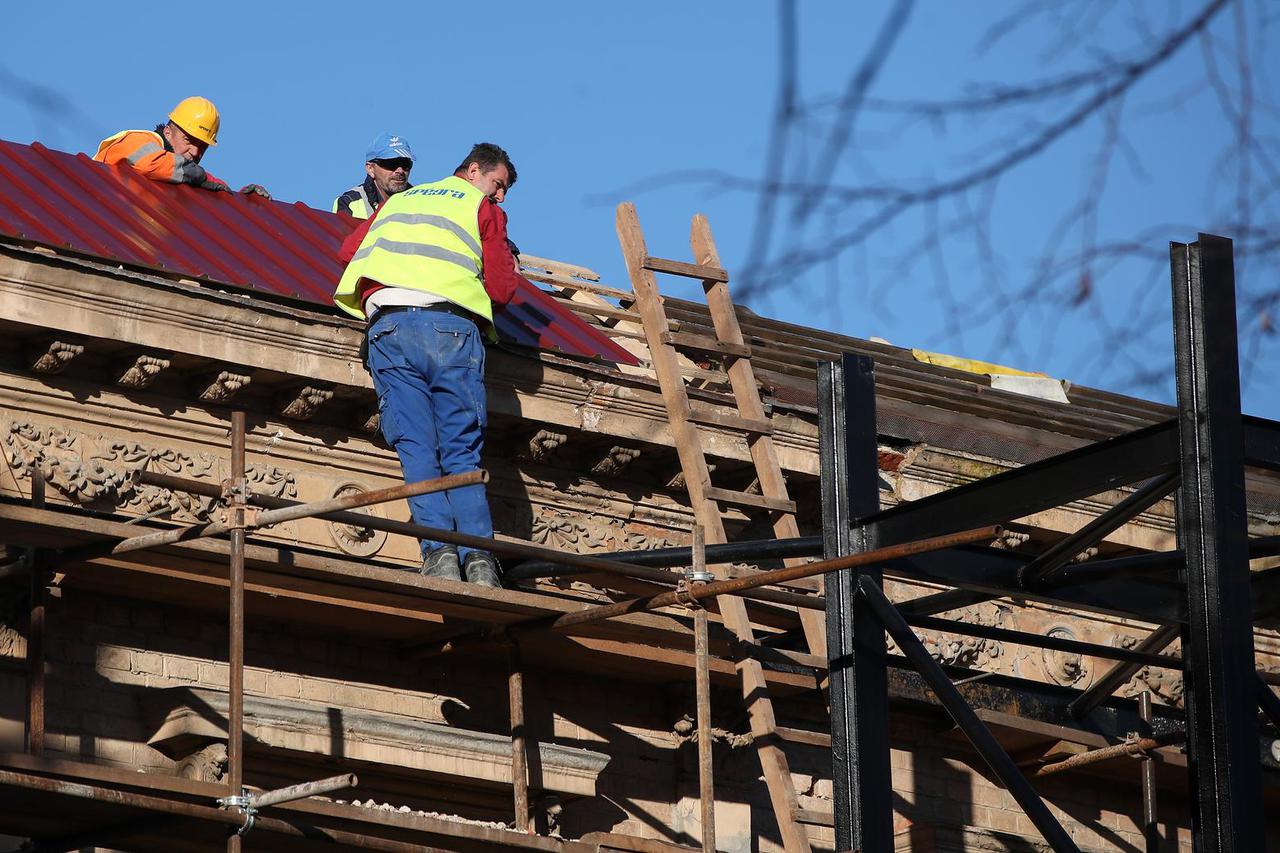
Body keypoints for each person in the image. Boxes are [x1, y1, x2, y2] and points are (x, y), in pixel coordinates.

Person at [334, 143, 526, 587]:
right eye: (498, 185)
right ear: (475, 171)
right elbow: (500, 289)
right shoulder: (480, 207)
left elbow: (350, 252)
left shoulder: (400, 199)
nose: (499, 196)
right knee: (459, 448)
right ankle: (478, 560)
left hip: (389, 329)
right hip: (448, 330)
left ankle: (438, 555)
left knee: (416, 446)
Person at [93, 97, 270, 198]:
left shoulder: (183, 173)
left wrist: (244, 201)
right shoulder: (135, 140)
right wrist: (199, 176)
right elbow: (151, 163)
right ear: (168, 132)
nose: (195, 151)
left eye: (202, 146)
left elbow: (214, 187)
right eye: (189, 140)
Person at [333, 132, 416, 219]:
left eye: (406, 164)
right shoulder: (349, 202)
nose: (400, 171)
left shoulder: (420, 200)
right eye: (391, 163)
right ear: (370, 169)